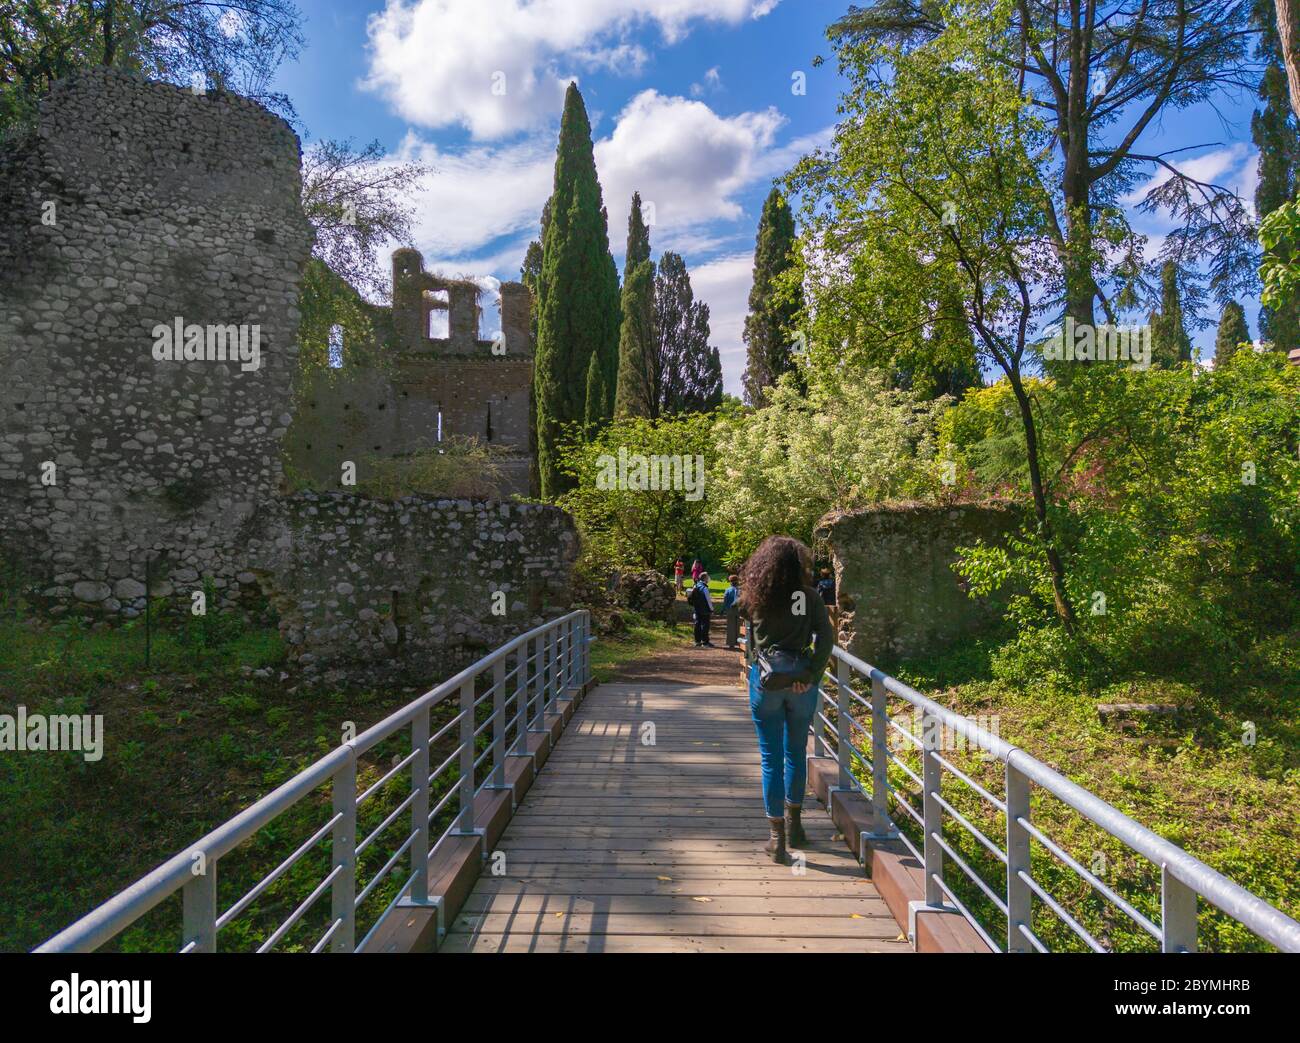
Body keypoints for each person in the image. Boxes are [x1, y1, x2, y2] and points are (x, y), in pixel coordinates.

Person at [739, 536, 833, 863]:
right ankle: (796, 828)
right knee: (796, 752)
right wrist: (810, 676)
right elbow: (826, 639)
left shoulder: (757, 596)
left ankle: (776, 839)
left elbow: (747, 627)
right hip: (801, 684)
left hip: (766, 681)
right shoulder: (809, 597)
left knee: (771, 758)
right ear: (798, 564)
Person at [689, 570, 714, 647]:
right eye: (708, 577)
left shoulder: (696, 585)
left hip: (697, 609)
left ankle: (697, 641)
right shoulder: (704, 588)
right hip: (705, 610)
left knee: (697, 624)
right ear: (705, 579)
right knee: (705, 625)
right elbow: (708, 600)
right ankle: (705, 642)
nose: (709, 578)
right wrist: (712, 609)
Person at [722, 574, 741, 649]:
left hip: (730, 609)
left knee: (730, 626)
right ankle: (740, 642)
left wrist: (723, 609)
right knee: (739, 626)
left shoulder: (728, 590)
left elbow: (725, 601)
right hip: (739, 609)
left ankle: (731, 643)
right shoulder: (740, 590)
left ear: (730, 582)